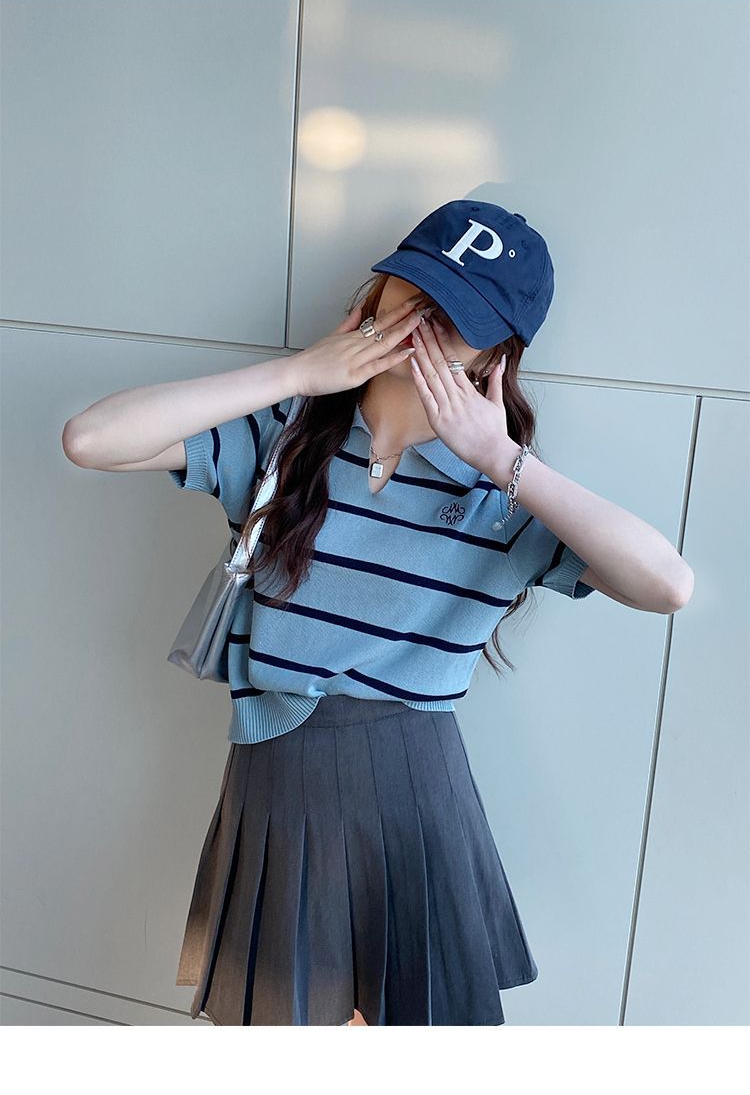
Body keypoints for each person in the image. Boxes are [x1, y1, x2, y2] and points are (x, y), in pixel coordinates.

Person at [63, 199, 694, 1026]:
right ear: (378, 290)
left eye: (456, 319)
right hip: (273, 782)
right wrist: (297, 375)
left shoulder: (500, 498)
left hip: (409, 796)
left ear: (496, 355)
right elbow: (90, 440)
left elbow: (667, 585)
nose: (422, 325)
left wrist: (500, 456)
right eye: (414, 293)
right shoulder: (288, 442)